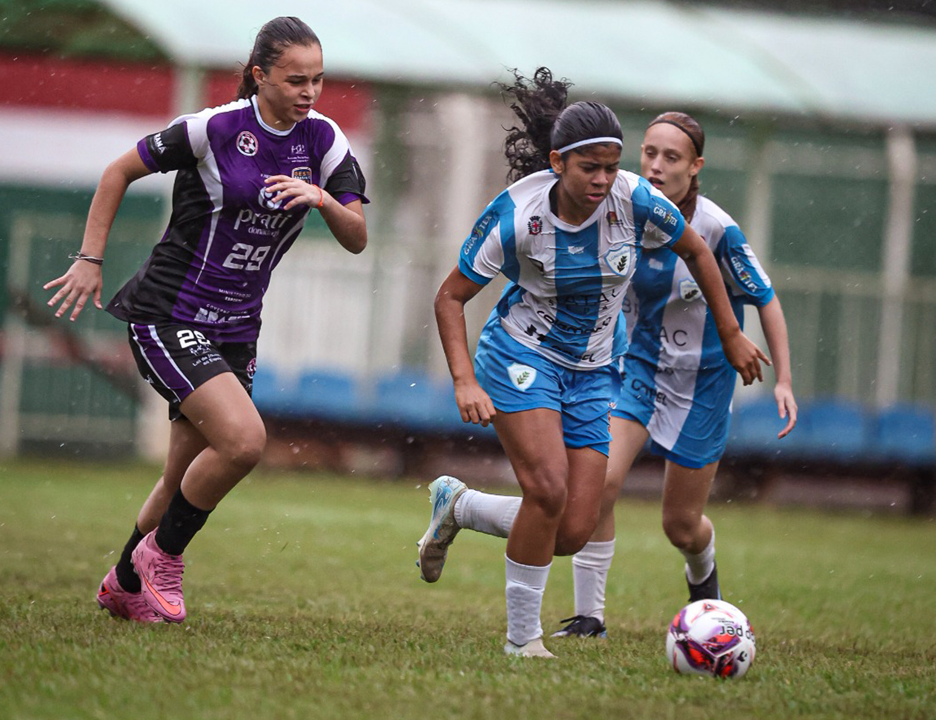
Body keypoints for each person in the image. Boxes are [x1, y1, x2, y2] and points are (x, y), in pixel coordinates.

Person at [420, 69, 766, 658]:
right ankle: (522, 640)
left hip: (596, 370)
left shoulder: (636, 199)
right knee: (547, 489)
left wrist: (731, 332)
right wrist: (463, 380)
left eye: (612, 167)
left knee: (572, 528)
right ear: (557, 162)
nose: (604, 180)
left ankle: (460, 506)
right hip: (521, 356)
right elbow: (449, 297)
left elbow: (698, 251)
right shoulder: (515, 217)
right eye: (591, 169)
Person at [43, 16, 368, 623]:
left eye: (318, 80)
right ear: (259, 75)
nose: (310, 92)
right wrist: (90, 259)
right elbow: (119, 170)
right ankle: (162, 558)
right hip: (170, 312)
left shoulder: (324, 143)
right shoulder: (212, 129)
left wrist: (324, 199)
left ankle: (121, 583)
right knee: (244, 442)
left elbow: (357, 238)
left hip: (238, 327)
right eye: (296, 80)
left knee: (178, 477)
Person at [551, 111, 796, 638]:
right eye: (650, 154)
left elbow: (766, 298)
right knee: (601, 483)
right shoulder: (622, 206)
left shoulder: (716, 227)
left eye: (672, 157)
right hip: (634, 369)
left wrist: (784, 381)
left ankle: (703, 578)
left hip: (704, 384)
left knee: (679, 525)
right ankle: (589, 618)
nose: (656, 167)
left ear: (696, 166)